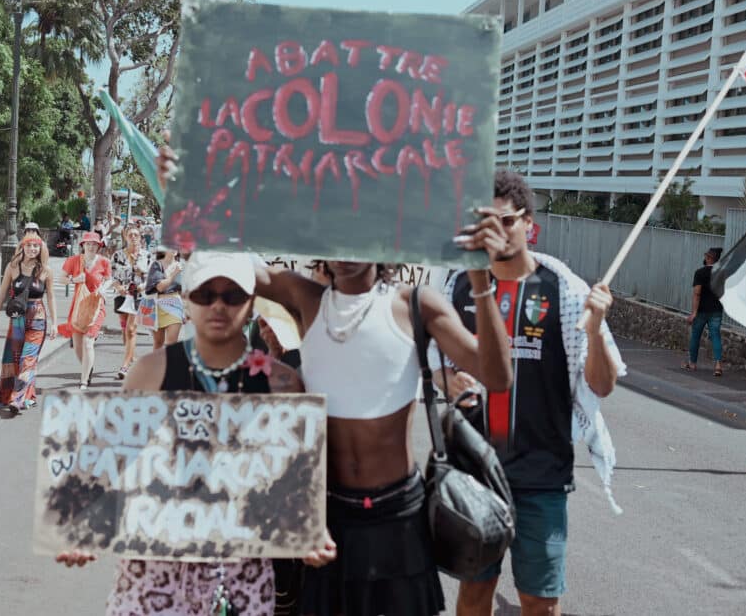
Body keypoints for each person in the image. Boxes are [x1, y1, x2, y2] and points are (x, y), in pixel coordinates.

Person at [156, 132, 513, 616]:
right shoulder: (307, 300)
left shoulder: (414, 305)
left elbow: (497, 375)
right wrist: (186, 192)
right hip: (325, 518)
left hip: (399, 520)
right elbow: (234, 257)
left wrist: (480, 279)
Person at [57, 252, 309, 616]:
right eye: (205, 295)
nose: (218, 306)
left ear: (252, 303)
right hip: (155, 571)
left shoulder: (281, 383)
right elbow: (104, 459)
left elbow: (295, 479)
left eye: (233, 295)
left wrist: (308, 531)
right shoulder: (150, 372)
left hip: (242, 571)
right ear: (187, 302)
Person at [445, 171, 626, 616]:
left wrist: (598, 327)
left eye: (506, 221)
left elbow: (601, 385)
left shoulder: (564, 288)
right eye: (486, 222)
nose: (497, 232)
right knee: (473, 596)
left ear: (529, 223)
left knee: (541, 604)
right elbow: (436, 365)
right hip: (475, 474)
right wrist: (445, 381)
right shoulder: (459, 284)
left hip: (541, 476)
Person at [0, 233, 57, 413]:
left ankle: (16, 398)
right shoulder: (13, 267)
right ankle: (27, 395)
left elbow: (51, 297)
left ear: (41, 248)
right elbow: (2, 292)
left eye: (36, 246)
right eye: (29, 245)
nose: (32, 249)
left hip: (38, 319)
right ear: (23, 247)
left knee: (28, 359)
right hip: (17, 319)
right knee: (15, 359)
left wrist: (55, 323)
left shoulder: (46, 271)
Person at [58, 231, 111, 390]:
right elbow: (61, 279)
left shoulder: (104, 262)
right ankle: (88, 367)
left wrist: (103, 288)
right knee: (78, 345)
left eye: (94, 244)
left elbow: (109, 280)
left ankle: (84, 380)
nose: (91, 246)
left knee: (88, 342)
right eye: (88, 244)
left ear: (99, 246)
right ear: (83, 245)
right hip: (79, 306)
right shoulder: (73, 261)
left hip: (96, 306)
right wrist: (74, 279)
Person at [110, 226, 149, 378]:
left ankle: (125, 366)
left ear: (140, 237)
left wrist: (142, 283)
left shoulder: (146, 256)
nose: (133, 237)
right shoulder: (118, 255)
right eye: (130, 234)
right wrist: (119, 287)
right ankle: (132, 356)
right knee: (124, 329)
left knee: (131, 329)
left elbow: (152, 278)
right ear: (125, 237)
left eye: (136, 235)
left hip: (138, 296)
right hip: (122, 295)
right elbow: (113, 276)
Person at [684, 247, 724, 376]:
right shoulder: (721, 273)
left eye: (706, 255)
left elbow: (697, 293)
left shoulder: (700, 273)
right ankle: (718, 365)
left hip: (701, 310)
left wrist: (694, 313)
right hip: (716, 309)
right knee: (716, 336)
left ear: (708, 258)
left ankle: (692, 363)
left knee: (696, 336)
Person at [145, 246, 184, 351]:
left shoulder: (182, 266)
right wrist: (174, 274)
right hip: (157, 305)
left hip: (175, 304)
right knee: (158, 343)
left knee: (172, 343)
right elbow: (160, 287)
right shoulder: (157, 265)